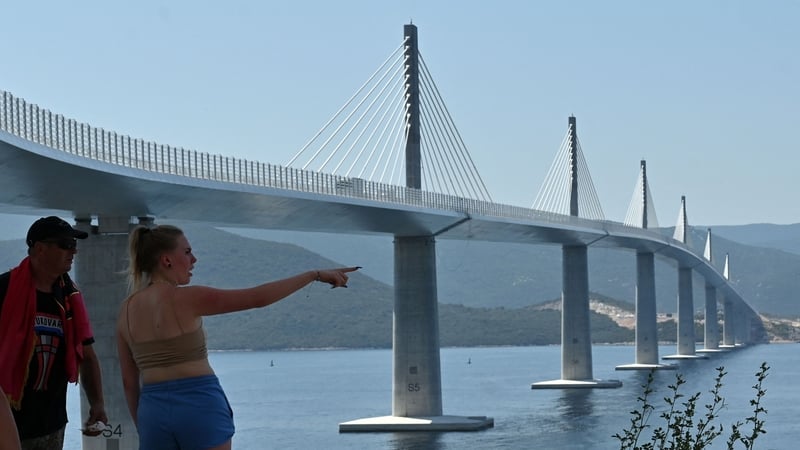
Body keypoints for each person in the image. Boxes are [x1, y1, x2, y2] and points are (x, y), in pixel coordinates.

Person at [116, 224, 359, 450]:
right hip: (198, 403)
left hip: (152, 410)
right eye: (187, 252)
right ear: (166, 260)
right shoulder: (187, 298)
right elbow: (257, 298)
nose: (194, 259)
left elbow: (129, 381)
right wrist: (313, 274)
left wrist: (146, 425)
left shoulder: (126, 311)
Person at [0, 216, 107, 449]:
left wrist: (97, 404)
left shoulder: (71, 297)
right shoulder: (4, 290)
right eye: (65, 245)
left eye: (74, 245)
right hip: (7, 425)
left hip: (52, 425)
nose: (73, 251)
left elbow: (87, 354)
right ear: (40, 249)